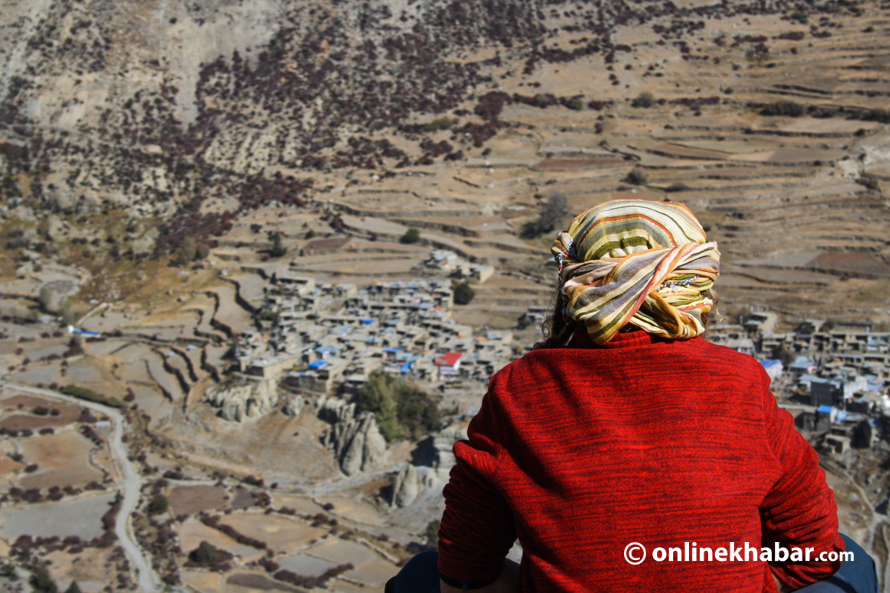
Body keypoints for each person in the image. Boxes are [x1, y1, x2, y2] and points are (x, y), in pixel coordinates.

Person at [386, 200, 877, 593]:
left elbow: (463, 567)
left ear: (575, 288)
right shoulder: (739, 382)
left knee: (420, 577)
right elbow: (812, 547)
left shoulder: (520, 389)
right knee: (851, 560)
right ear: (694, 285)